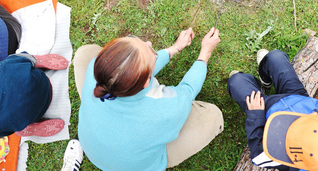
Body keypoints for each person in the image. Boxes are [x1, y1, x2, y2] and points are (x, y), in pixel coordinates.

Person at [75, 27, 224, 171]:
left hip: (93, 148)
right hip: (135, 167)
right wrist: (205, 53)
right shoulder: (164, 109)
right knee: (212, 116)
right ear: (146, 82)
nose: (149, 43)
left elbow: (139, 68)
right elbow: (188, 89)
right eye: (150, 50)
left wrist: (175, 48)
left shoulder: (96, 68)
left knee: (84, 53)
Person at [228, 44, 318, 171]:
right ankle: (265, 79)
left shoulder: (280, 157)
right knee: (275, 57)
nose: (292, 121)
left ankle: (251, 84)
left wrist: (256, 115)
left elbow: (258, 154)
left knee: (236, 82)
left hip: (268, 111)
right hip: (297, 98)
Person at [0, 4, 68, 138]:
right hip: (40, 82)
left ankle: (28, 128)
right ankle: (38, 60)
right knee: (13, 63)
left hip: (24, 118)